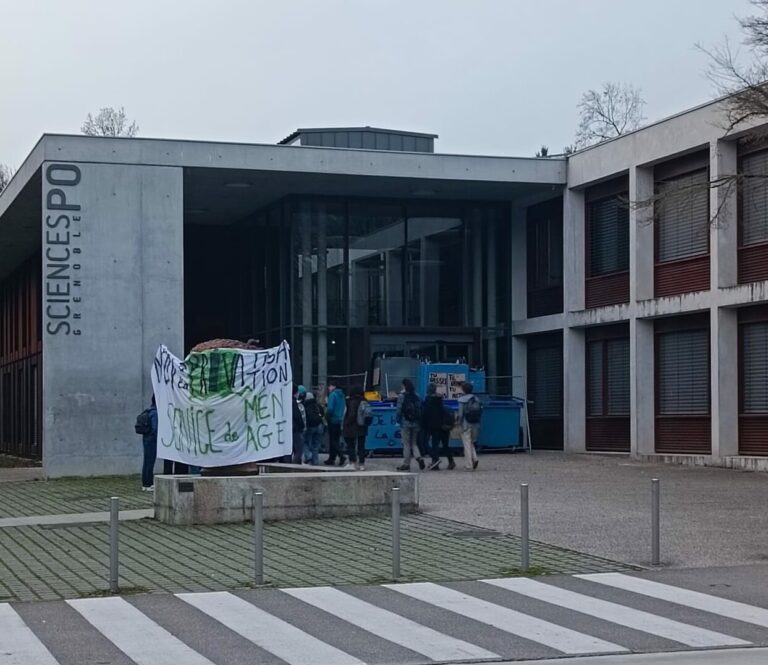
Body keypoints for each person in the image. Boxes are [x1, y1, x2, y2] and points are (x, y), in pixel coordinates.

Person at [421, 383, 455, 470]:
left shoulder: (427, 401)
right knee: (445, 445)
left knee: (433, 444)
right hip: (444, 425)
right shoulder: (439, 399)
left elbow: (425, 414)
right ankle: (451, 461)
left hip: (434, 426)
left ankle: (435, 461)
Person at [396, 378, 424, 471]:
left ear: (404, 386)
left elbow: (399, 410)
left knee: (406, 444)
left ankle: (406, 464)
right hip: (416, 423)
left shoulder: (402, 396)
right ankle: (419, 457)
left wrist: (398, 420)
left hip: (405, 423)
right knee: (414, 443)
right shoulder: (417, 396)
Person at [342, 385, 370, 470]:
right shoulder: (365, 401)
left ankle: (352, 462)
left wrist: (346, 423)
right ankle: (362, 464)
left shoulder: (352, 401)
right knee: (361, 446)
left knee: (351, 445)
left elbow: (351, 414)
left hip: (352, 426)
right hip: (362, 426)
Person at [457, 381, 481, 470]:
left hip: (465, 424)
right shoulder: (476, 399)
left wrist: (458, 424)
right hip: (475, 424)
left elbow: (460, 414)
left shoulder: (462, 400)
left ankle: (468, 465)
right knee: (470, 442)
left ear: (463, 390)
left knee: (466, 444)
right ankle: (474, 458)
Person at [324, 381, 346, 466]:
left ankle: (341, 455)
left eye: (329, 386)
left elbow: (330, 409)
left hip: (332, 420)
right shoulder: (342, 395)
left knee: (332, 440)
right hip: (340, 420)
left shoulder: (333, 395)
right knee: (336, 439)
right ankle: (331, 458)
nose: (328, 388)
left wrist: (326, 417)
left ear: (333, 386)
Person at [139, 396, 158, 491]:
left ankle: (145, 484)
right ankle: (149, 484)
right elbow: (155, 428)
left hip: (146, 439)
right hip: (152, 440)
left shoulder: (148, 410)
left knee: (146, 462)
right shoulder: (155, 413)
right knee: (150, 462)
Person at [302, 390, 325, 466]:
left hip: (310, 427)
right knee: (315, 445)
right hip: (319, 426)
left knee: (305, 442)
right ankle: (315, 462)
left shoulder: (305, 406)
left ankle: (308, 455)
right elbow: (322, 414)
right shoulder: (317, 405)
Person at [291, 384, 307, 464]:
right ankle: (295, 464)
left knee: (292, 449)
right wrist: (302, 425)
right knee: (299, 449)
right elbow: (298, 416)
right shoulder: (294, 403)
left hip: (289, 428)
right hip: (296, 428)